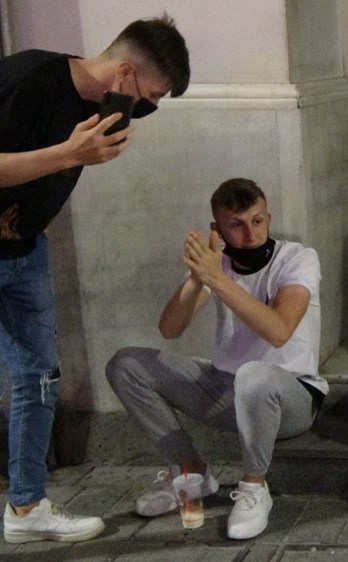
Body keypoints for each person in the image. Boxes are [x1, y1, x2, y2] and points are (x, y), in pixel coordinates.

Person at [0, 15, 190, 544]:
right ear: (124, 72)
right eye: (149, 96)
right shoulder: (30, 78)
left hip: (23, 250)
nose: (148, 108)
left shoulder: (103, 107)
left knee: (38, 375)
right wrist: (69, 154)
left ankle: (25, 508)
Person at [105, 178, 326, 540]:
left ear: (268, 217)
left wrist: (217, 279)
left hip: (291, 396)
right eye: (236, 225)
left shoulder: (298, 258)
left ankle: (254, 486)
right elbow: (169, 329)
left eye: (257, 221)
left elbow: (279, 330)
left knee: (255, 375)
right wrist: (197, 278)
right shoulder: (217, 264)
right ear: (218, 229)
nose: (250, 234)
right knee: (126, 364)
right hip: (225, 388)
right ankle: (190, 473)